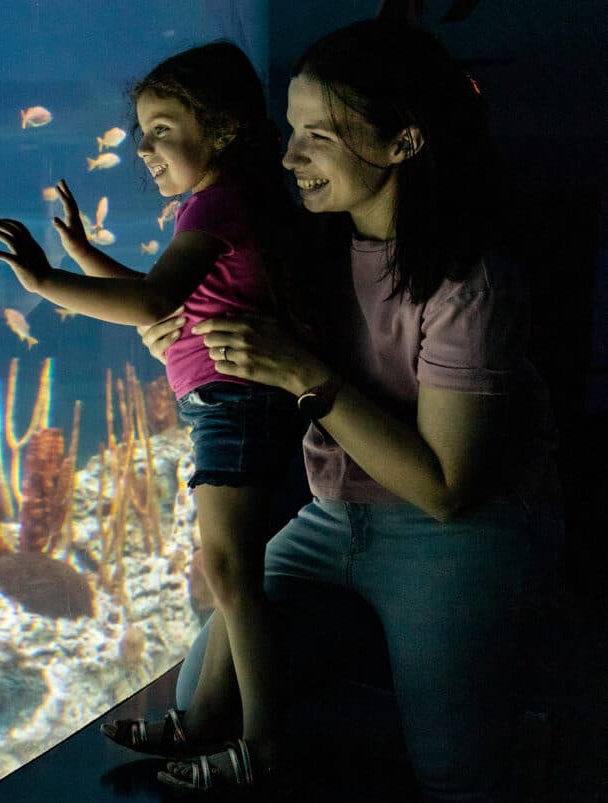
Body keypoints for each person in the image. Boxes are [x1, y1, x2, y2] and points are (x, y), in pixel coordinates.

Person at [138, 19, 563, 801]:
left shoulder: (472, 283)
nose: (290, 154)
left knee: (458, 779)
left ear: (403, 141)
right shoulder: (311, 242)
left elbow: (446, 487)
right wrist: (180, 332)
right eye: (291, 131)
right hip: (334, 513)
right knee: (205, 694)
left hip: (454, 529)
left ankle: (513, 727)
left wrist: (304, 370)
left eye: (318, 137)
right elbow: (228, 325)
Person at [0, 41, 302, 789]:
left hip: (237, 405)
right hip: (229, 406)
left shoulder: (219, 201)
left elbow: (157, 302)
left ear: (222, 127)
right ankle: (207, 723)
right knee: (231, 573)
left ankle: (264, 746)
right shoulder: (218, 204)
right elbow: (166, 290)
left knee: (230, 571)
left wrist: (44, 279)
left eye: (162, 128)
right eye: (139, 133)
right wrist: (85, 254)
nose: (143, 148)